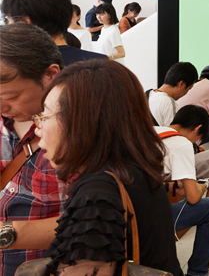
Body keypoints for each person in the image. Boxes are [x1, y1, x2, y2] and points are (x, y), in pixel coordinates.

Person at [35, 60, 184, 276]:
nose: (38, 128)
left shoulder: (96, 195)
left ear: (82, 122)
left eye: (45, 116)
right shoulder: (133, 169)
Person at [0, 24, 64, 276]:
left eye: (10, 96)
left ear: (50, 75)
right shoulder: (6, 121)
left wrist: (6, 234)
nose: (2, 106)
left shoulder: (81, 133)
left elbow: (92, 219)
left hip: (43, 267)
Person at [156, 105, 209, 276]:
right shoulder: (181, 143)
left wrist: (170, 186)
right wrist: (201, 187)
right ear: (197, 128)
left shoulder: (149, 131)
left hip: (122, 211)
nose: (195, 144)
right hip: (147, 219)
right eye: (198, 139)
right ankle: (198, 273)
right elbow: (193, 198)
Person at [1, 0, 105, 66]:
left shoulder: (15, 67)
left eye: (7, 19)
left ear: (27, 22)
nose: (8, 26)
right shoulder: (101, 64)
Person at [148, 61, 198, 127]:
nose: (186, 93)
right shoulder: (169, 102)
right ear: (181, 84)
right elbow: (173, 133)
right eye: (189, 88)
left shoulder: (146, 96)